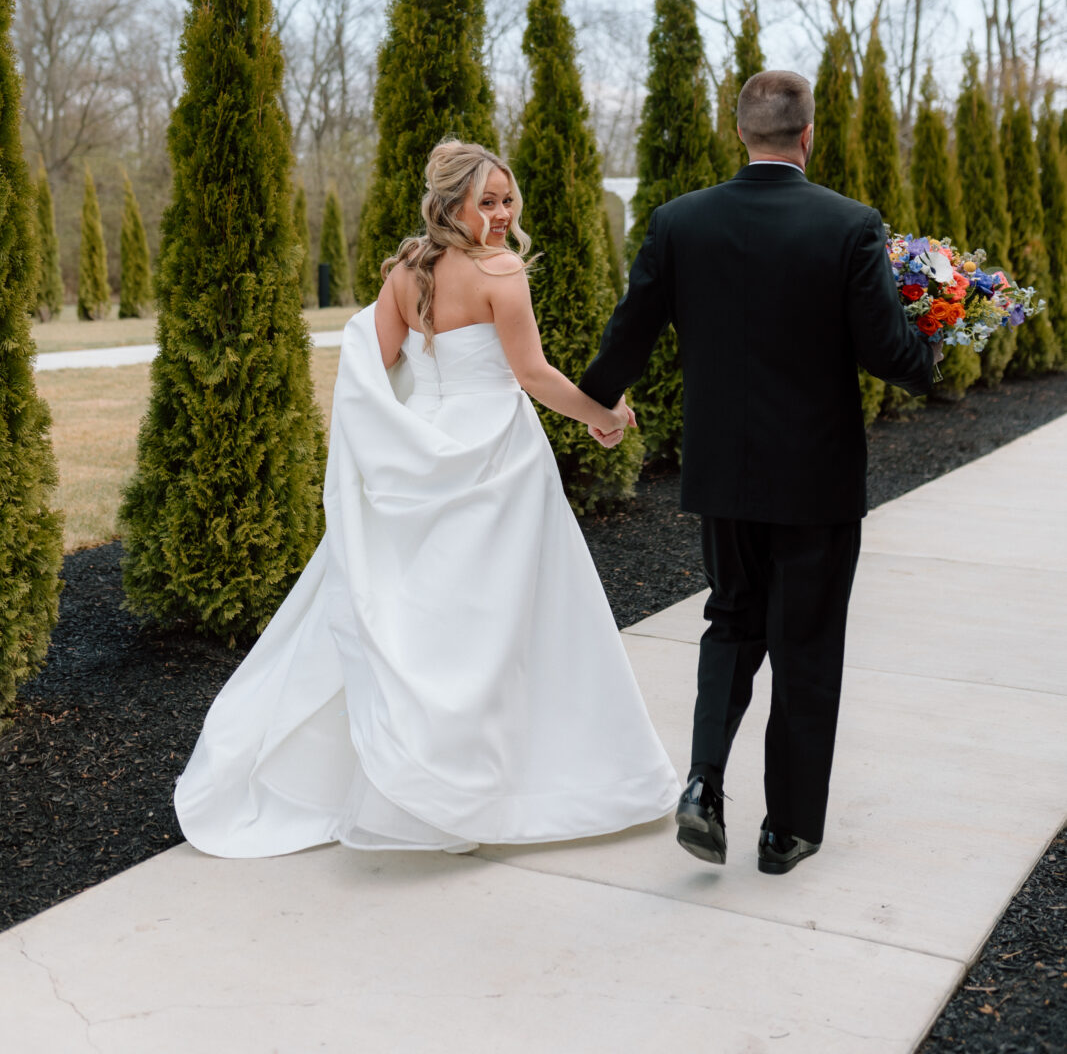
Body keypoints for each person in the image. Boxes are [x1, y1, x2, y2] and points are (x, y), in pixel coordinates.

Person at [174, 140, 678, 856]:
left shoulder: (405, 273)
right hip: (496, 455)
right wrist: (601, 413)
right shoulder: (501, 272)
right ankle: (488, 783)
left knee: (422, 609)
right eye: (488, 201)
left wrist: (392, 447)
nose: (502, 215)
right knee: (499, 617)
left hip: (423, 451)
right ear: (452, 204)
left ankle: (415, 774)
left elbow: (374, 370)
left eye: (508, 200)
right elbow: (531, 374)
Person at [579, 70, 934, 875]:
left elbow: (627, 334)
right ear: (808, 135)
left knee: (731, 621)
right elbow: (886, 352)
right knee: (804, 643)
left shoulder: (678, 223)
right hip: (816, 480)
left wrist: (599, 406)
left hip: (723, 475)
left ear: (738, 131)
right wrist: (937, 350)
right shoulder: (848, 225)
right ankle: (787, 832)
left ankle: (704, 784)